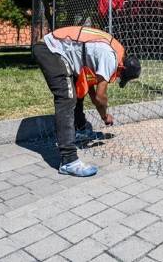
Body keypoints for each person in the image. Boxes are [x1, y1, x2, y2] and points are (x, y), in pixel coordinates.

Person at [33, 26, 141, 177]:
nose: (116, 77)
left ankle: (79, 130)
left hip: (56, 50)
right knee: (67, 98)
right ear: (122, 67)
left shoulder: (110, 51)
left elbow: (88, 86)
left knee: (77, 90)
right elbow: (100, 96)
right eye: (120, 76)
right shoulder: (111, 57)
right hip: (50, 50)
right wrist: (105, 116)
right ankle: (68, 160)